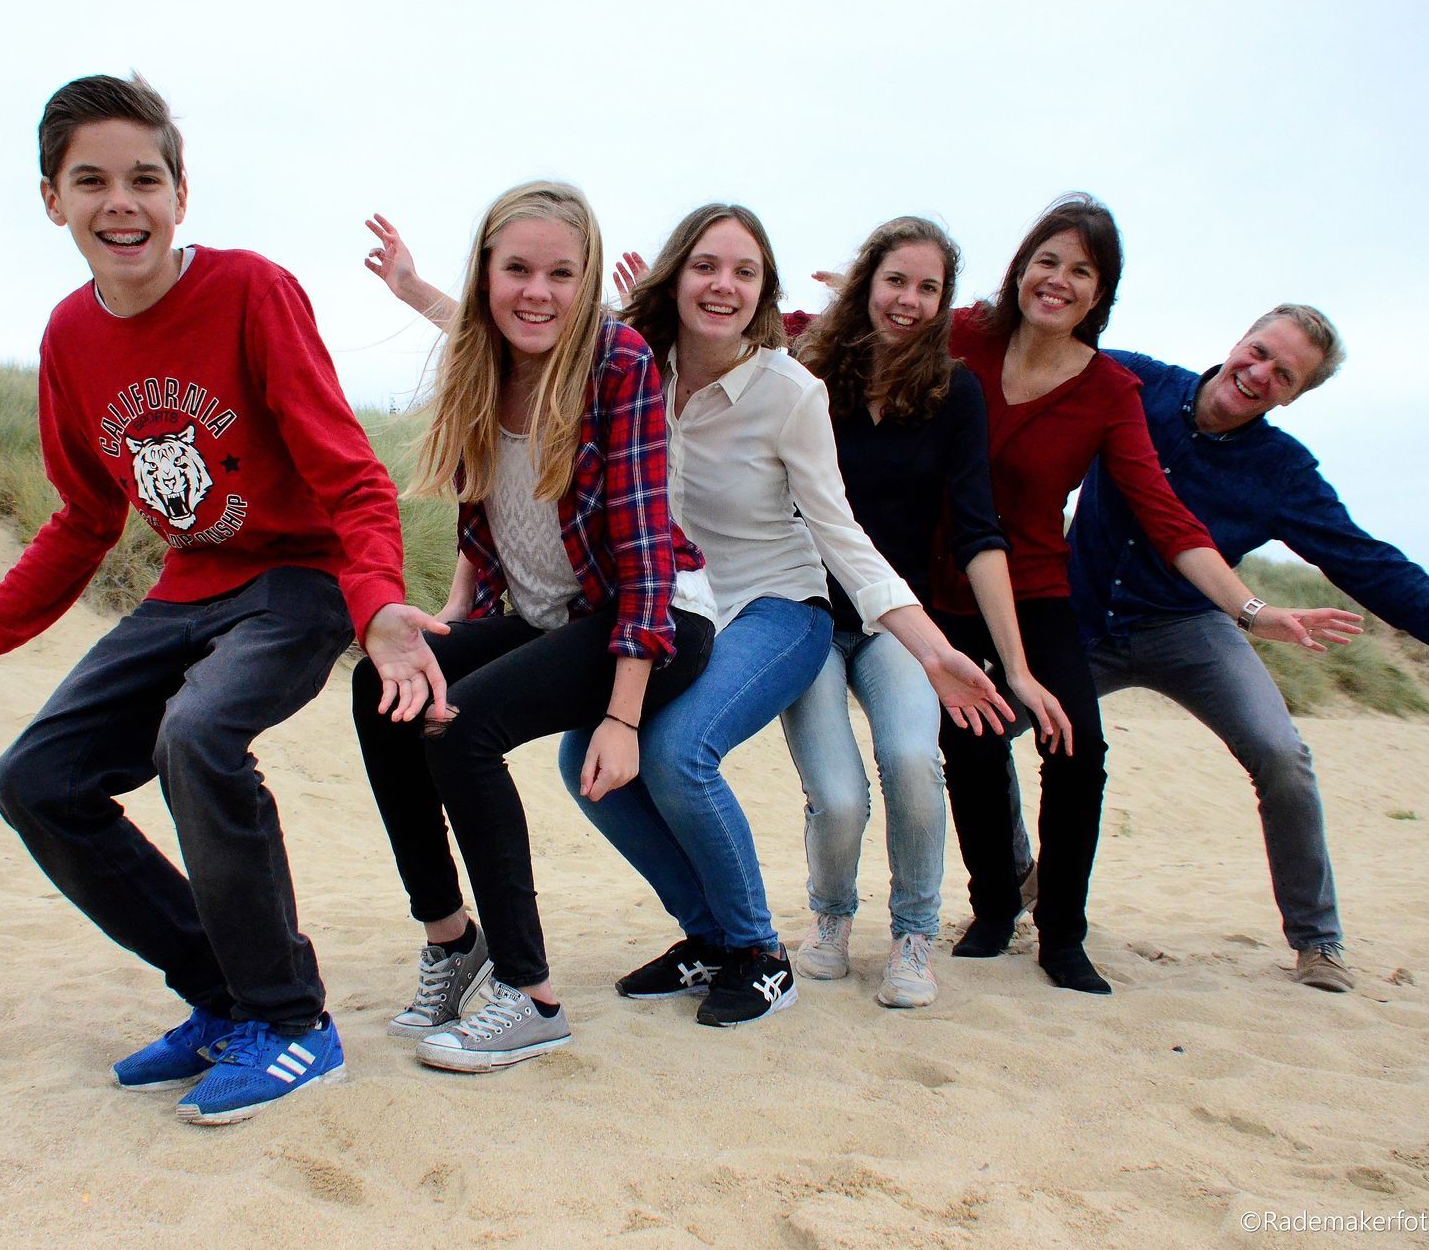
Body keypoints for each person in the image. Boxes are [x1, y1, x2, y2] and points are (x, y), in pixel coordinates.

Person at [0, 76, 449, 1126]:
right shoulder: (68, 338)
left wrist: (375, 605)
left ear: (181, 194)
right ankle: (225, 998)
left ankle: (293, 1021)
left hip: (298, 581)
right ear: (53, 201)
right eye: (91, 181)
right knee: (38, 781)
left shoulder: (250, 291)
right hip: (189, 589)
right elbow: (84, 519)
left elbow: (351, 474)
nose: (120, 202)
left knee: (199, 736)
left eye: (144, 178)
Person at [370, 205, 1011, 1028]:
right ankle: (709, 936)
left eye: (745, 272)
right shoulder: (634, 361)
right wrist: (414, 289)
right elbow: (523, 327)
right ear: (676, 276)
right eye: (707, 266)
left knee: (675, 752)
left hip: (778, 605)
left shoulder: (789, 391)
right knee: (587, 764)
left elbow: (840, 535)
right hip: (669, 604)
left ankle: (759, 951)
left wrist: (928, 647)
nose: (724, 286)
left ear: (764, 292)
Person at [1060, 304, 1429, 991]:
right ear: (1240, 339)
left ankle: (1318, 941)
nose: (1260, 373)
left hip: (1191, 625)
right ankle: (1025, 875)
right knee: (982, 726)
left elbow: (1372, 566)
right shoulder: (1134, 382)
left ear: (1293, 397)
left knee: (1282, 755)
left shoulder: (1281, 471)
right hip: (1079, 618)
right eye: (1260, 351)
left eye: (1285, 375)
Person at [931, 194, 1361, 995]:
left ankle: (1063, 936)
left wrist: (1254, 611)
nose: (1059, 280)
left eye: (1082, 271)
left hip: (1046, 587)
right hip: (946, 579)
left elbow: (1168, 518)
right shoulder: (967, 335)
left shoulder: (1111, 388)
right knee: (966, 737)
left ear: (1101, 293)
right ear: (1021, 267)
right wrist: (848, 298)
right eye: (1048, 261)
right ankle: (997, 905)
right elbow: (865, 334)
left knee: (1078, 750)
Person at [351, 183, 715, 1072]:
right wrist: (451, 620)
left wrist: (623, 718)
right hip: (551, 617)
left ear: (588, 281)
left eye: (562, 273)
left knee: (463, 725)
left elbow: (645, 557)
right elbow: (485, 511)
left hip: (656, 622)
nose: (538, 292)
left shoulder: (619, 362)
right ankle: (452, 941)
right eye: (517, 269)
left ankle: (530, 995)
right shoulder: (481, 361)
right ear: (486, 273)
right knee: (383, 684)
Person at [775, 217, 1071, 1009]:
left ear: (944, 303)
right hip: (805, 615)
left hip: (897, 621)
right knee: (839, 796)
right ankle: (832, 919)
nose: (908, 300)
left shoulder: (953, 391)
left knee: (913, 761)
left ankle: (912, 935)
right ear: (867, 282)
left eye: (928, 288)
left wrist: (1017, 668)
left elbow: (978, 530)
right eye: (896, 280)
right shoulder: (807, 373)